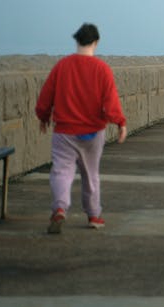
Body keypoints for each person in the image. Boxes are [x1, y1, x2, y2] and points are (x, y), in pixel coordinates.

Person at [36, 23, 127, 234]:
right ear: (96, 42)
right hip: (93, 132)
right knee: (91, 174)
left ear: (76, 41)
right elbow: (110, 102)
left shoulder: (62, 66)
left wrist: (43, 116)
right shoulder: (102, 69)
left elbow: (45, 96)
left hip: (65, 131)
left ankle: (60, 208)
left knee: (61, 171)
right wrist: (120, 123)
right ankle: (94, 215)